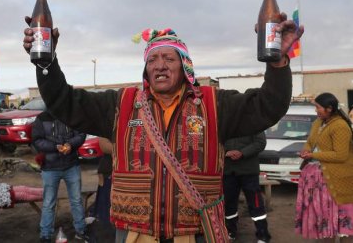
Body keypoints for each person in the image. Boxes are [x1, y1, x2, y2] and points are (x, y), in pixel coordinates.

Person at [23, 13, 303, 242]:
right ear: (146, 69)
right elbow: (65, 102)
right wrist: (46, 64)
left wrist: (278, 63)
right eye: (153, 60)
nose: (160, 66)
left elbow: (269, 107)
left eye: (169, 59)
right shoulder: (121, 104)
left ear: (184, 67)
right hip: (135, 234)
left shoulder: (214, 104)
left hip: (195, 233)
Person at [295, 93, 353, 242]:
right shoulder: (318, 122)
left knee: (342, 225)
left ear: (329, 108)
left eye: (318, 107)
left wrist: (313, 156)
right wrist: (306, 150)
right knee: (322, 222)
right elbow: (310, 141)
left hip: (336, 180)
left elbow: (341, 155)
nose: (316, 111)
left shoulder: (340, 126)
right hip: (318, 180)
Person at [31, 110, 88, 243]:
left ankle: (81, 230)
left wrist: (70, 145)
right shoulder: (42, 118)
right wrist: (55, 147)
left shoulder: (71, 115)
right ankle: (45, 235)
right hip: (50, 167)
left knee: (76, 200)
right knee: (49, 203)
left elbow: (81, 134)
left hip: (71, 165)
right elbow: (36, 140)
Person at [223, 132, 271, 242]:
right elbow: (216, 142)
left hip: (248, 171)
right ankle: (231, 231)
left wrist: (242, 153)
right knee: (228, 204)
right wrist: (226, 151)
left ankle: (263, 235)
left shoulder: (254, 121)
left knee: (256, 204)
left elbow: (260, 143)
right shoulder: (225, 121)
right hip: (228, 171)